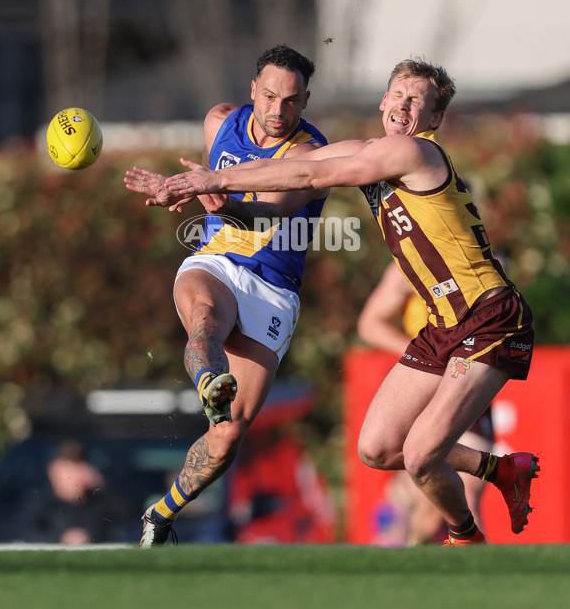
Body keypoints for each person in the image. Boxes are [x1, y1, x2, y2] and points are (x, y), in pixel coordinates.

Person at [162, 58, 539, 547]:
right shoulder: (373, 149)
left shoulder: (413, 152)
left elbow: (317, 178)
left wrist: (212, 182)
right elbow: (290, 167)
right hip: (443, 324)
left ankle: (466, 543)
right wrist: (210, 180)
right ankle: (504, 470)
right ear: (382, 100)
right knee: (378, 449)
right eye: (397, 96)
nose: (403, 107)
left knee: (422, 455)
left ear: (435, 120)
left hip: (489, 317)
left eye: (417, 102)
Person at [124, 44, 328, 547]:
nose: (278, 111)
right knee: (206, 321)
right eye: (270, 96)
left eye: (292, 101)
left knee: (230, 434)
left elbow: (266, 218)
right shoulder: (220, 123)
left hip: (274, 289)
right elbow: (213, 192)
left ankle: (160, 515)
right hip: (216, 262)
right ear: (252, 91)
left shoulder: (309, 155)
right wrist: (191, 189)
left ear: (306, 101)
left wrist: (209, 195)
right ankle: (211, 381)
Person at [357, 260, 494, 544]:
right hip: (426, 387)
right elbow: (370, 324)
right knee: (408, 500)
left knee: (463, 495)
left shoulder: (483, 261)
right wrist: (423, 359)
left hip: (465, 382)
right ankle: (388, 574)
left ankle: (484, 579)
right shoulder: (408, 266)